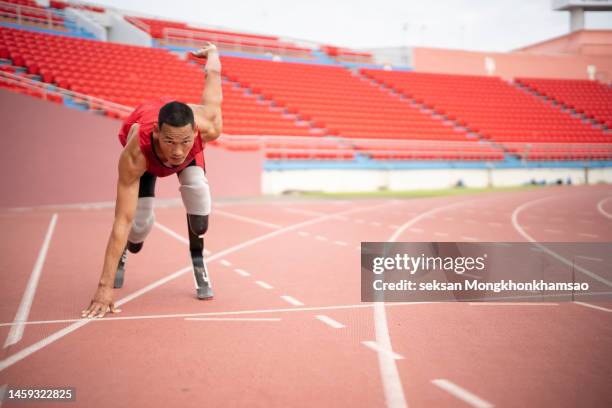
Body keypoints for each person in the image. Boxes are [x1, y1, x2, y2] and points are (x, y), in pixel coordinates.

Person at [81, 43, 223, 319]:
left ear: (195, 132)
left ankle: (198, 258)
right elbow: (121, 219)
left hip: (182, 146)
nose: (178, 151)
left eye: (184, 141)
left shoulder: (207, 127)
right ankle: (127, 251)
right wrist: (103, 288)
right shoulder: (136, 152)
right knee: (139, 226)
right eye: (170, 141)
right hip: (148, 160)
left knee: (199, 196)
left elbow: (213, 80)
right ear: (157, 133)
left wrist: (213, 53)